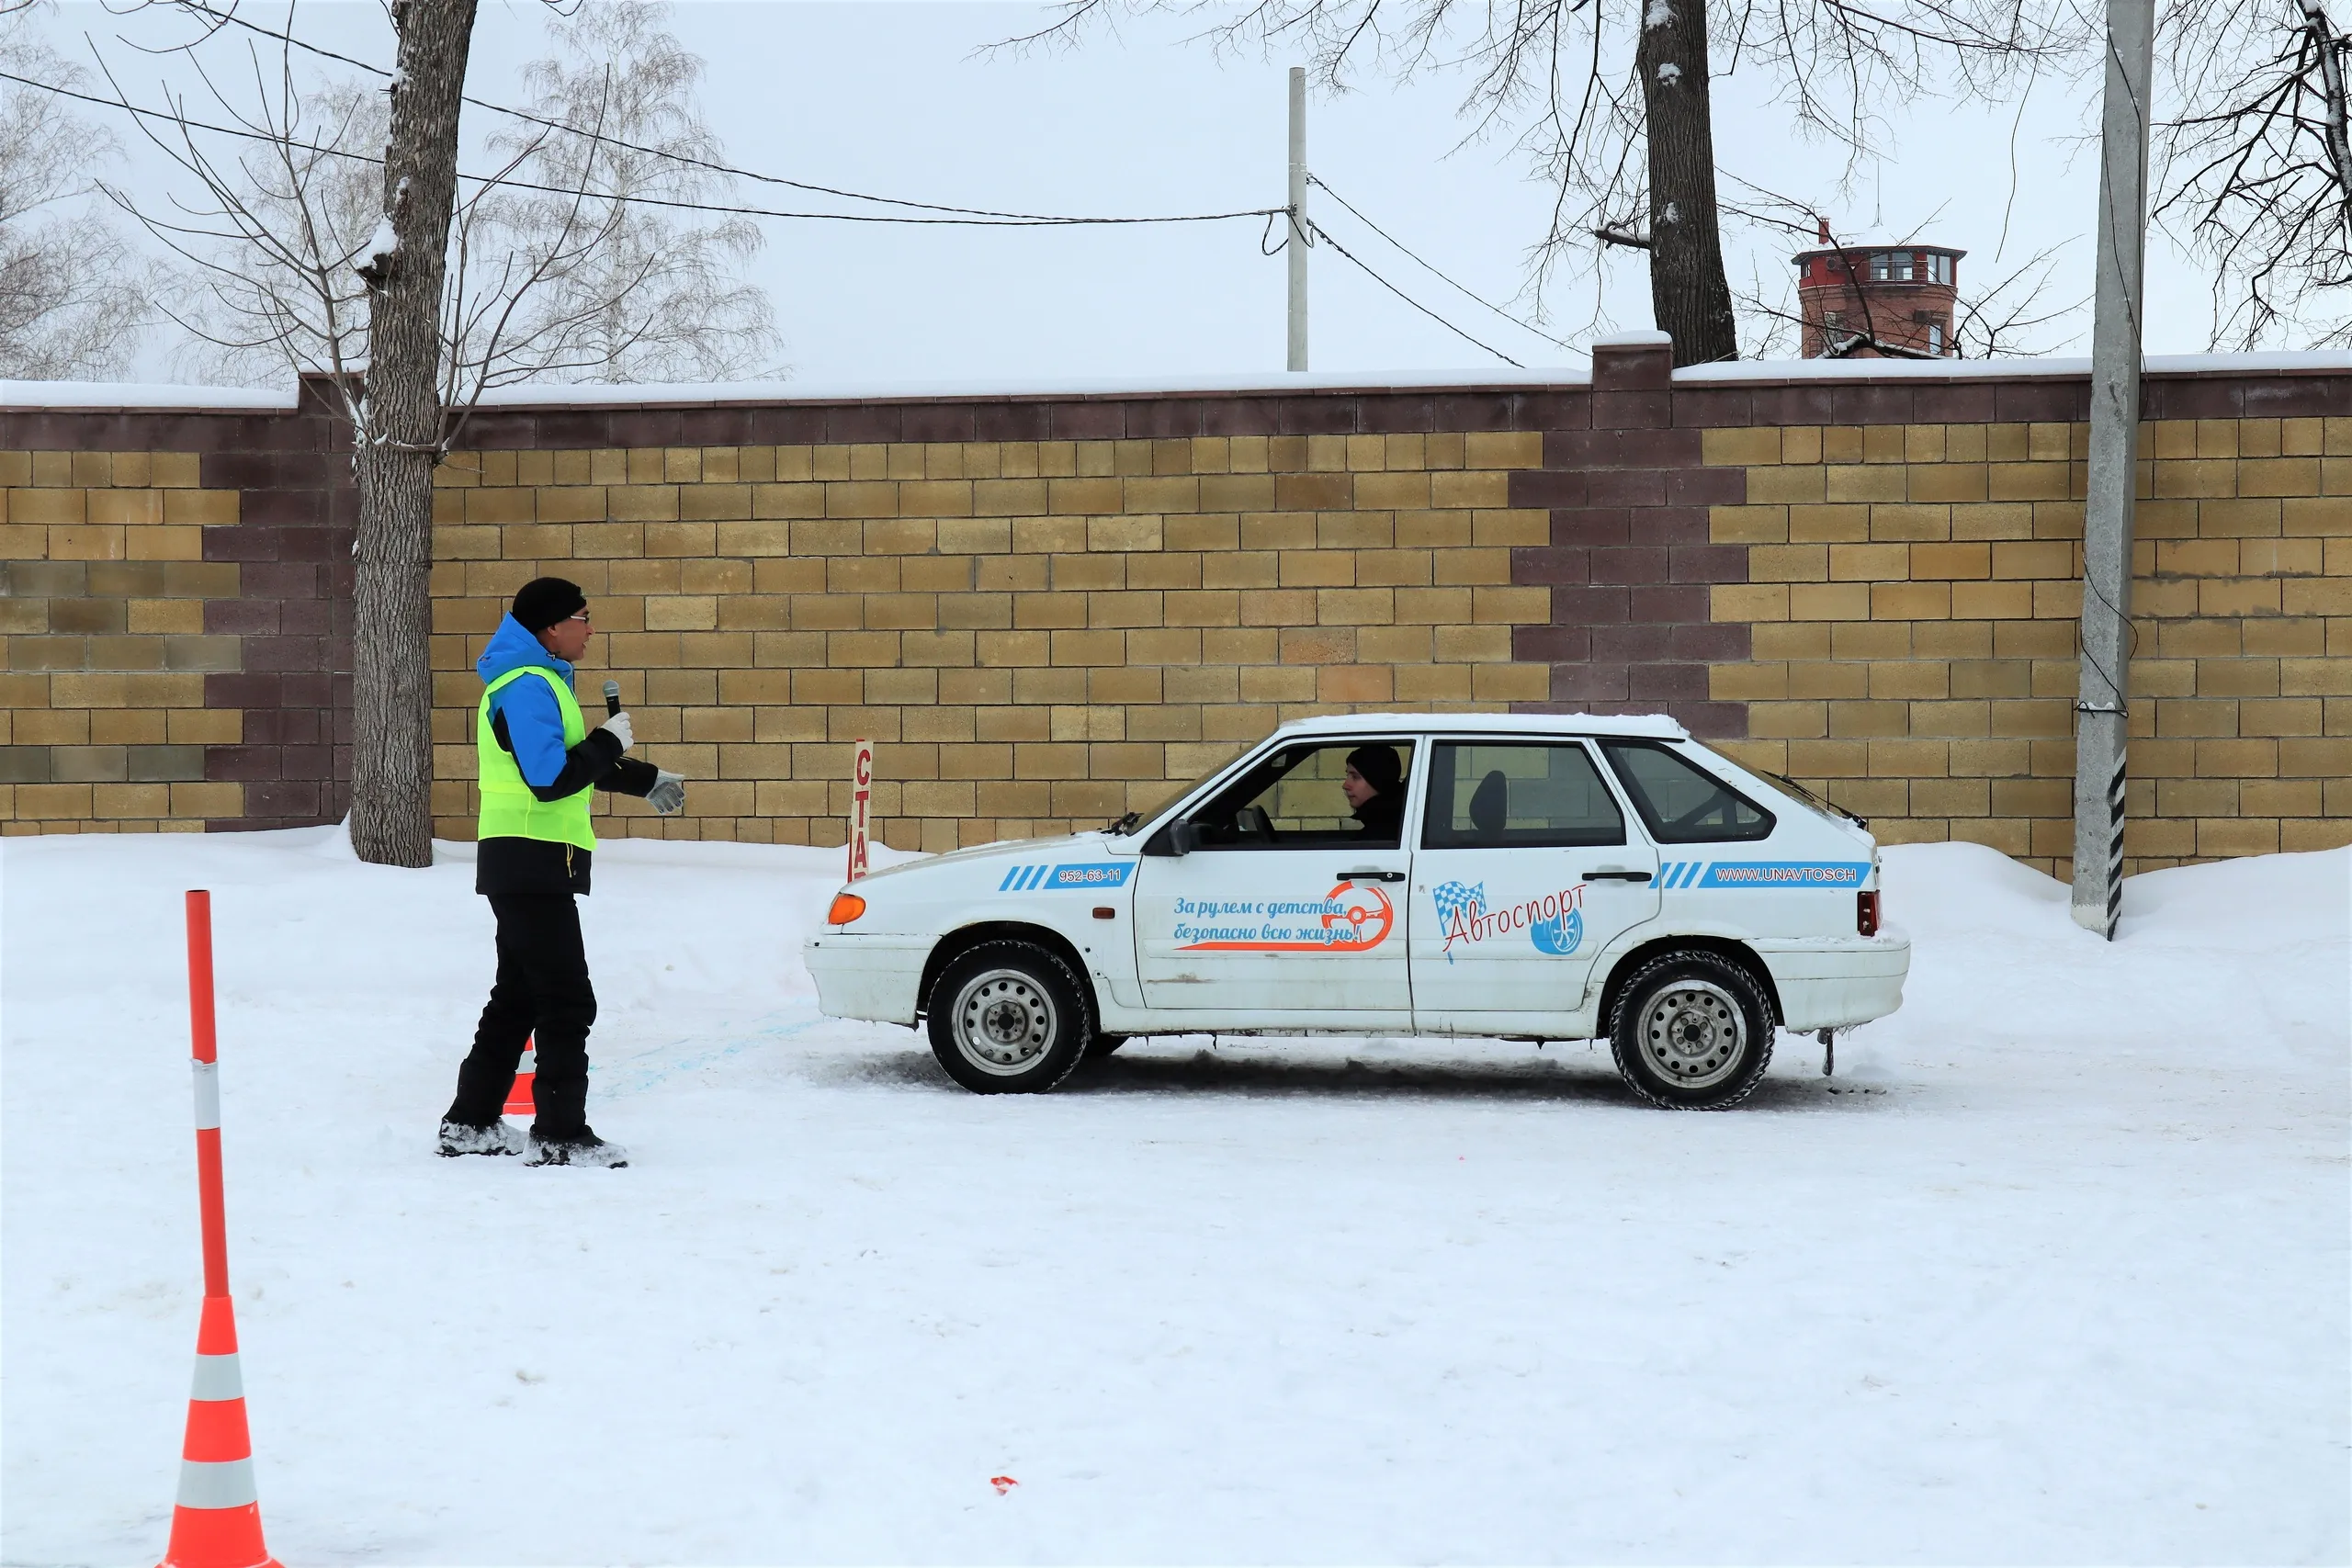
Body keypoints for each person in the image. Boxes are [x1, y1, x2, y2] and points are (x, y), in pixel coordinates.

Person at [436, 577, 687, 1168]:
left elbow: (572, 764)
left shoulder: (543, 681)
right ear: (551, 626)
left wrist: (643, 777)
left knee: (519, 995)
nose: (589, 627)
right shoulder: (526, 686)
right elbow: (549, 779)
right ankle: (560, 1134)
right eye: (582, 616)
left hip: (529, 857)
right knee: (566, 998)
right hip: (532, 856)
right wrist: (604, 740)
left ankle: (470, 1123)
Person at [1341, 744, 1406, 843]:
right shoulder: (1384, 825)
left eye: (1355, 777)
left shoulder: (1380, 838)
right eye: (1347, 775)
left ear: (1378, 781)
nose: (1345, 785)